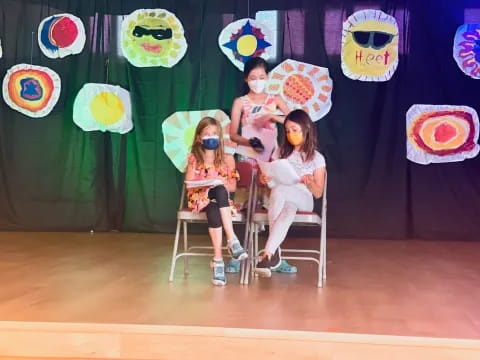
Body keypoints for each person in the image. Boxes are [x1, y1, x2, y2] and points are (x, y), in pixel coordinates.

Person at [228, 56, 296, 274]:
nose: (257, 81)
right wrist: (249, 142)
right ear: (246, 79)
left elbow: (296, 121)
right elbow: (232, 134)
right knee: (243, 207)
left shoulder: (274, 100)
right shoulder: (240, 102)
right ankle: (238, 255)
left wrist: (271, 116)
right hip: (248, 157)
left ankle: (273, 256)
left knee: (273, 207)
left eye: (261, 77)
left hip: (271, 158)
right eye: (253, 78)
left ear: (267, 77)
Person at [254, 109, 326, 278]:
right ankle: (270, 255)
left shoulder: (317, 158)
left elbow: (318, 193)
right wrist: (265, 178)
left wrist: (310, 181)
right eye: (287, 131)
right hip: (281, 199)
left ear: (306, 128)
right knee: (287, 210)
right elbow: (271, 181)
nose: (290, 134)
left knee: (281, 191)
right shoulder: (280, 152)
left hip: (305, 198)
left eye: (295, 130)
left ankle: (270, 252)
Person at [185, 117, 248, 286]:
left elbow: (233, 186)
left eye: (214, 133)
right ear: (199, 138)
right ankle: (232, 240)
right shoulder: (194, 158)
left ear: (219, 136)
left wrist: (218, 180)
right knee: (215, 194)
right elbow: (189, 184)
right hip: (200, 198)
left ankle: (218, 260)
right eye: (206, 134)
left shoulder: (227, 158)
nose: (210, 137)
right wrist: (207, 182)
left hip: (221, 202)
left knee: (219, 193)